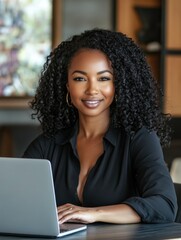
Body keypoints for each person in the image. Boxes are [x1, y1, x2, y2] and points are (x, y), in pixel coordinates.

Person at [23, 28, 178, 224]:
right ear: (66, 85)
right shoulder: (47, 146)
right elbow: (15, 203)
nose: (92, 90)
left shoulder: (139, 138)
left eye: (104, 78)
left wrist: (93, 213)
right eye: (80, 79)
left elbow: (164, 206)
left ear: (119, 84)